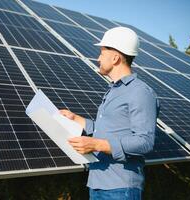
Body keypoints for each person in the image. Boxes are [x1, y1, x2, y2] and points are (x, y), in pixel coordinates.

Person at [60, 27, 159, 200]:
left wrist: (97, 145)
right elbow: (107, 130)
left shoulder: (140, 92)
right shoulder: (114, 90)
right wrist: (76, 119)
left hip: (120, 188)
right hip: (97, 183)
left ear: (115, 58)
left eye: (102, 53)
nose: (98, 58)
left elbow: (145, 141)